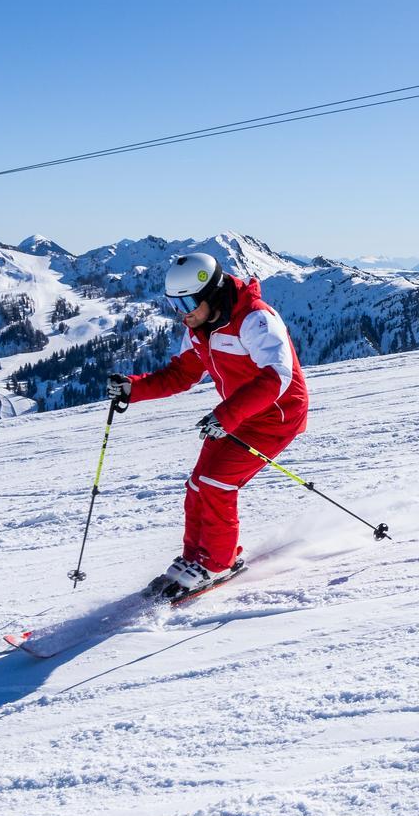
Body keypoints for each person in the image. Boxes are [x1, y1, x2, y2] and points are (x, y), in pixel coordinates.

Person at [106, 251, 309, 597]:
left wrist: (227, 415)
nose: (182, 313)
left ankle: (217, 563)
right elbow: (181, 374)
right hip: (235, 414)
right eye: (175, 304)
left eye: (188, 302)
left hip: (275, 416)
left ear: (212, 294)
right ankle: (194, 558)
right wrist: (133, 388)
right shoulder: (199, 328)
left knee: (217, 483)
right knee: (198, 484)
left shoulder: (255, 320)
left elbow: (277, 378)